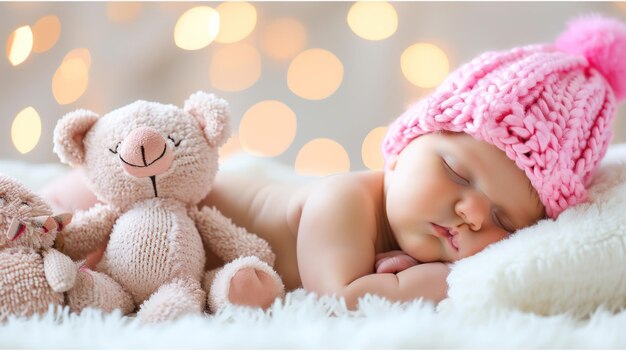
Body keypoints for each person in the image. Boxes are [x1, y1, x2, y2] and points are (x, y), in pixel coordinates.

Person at [42, 15, 626, 309]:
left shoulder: (396, 226)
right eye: (457, 173)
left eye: (504, 219)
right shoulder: (344, 200)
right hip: (142, 202)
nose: (472, 212)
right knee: (55, 224)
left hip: (186, 269)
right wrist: (443, 281)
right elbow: (343, 298)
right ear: (403, 147)